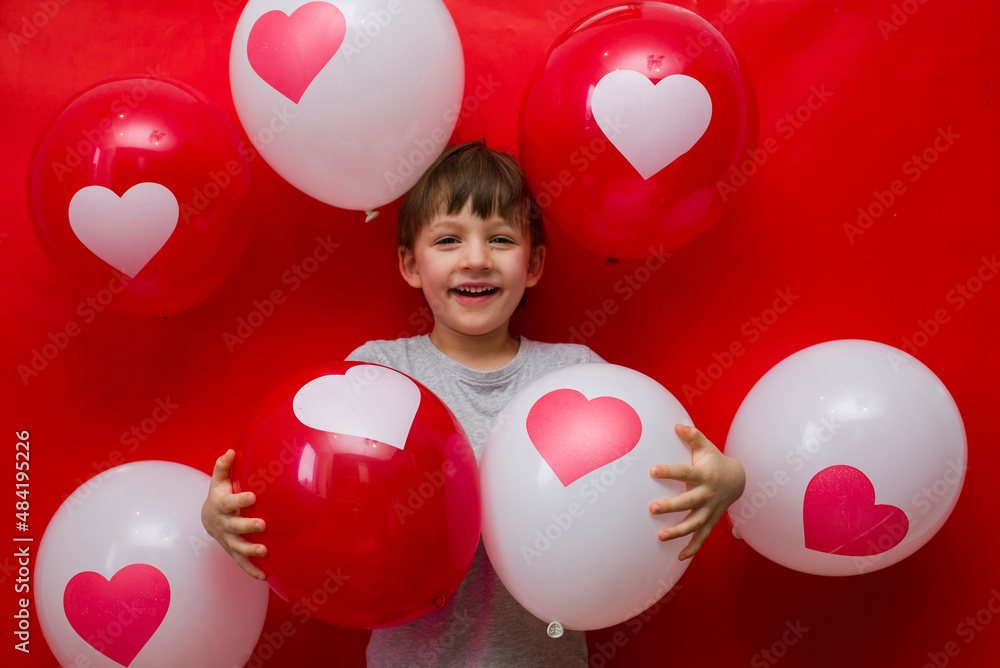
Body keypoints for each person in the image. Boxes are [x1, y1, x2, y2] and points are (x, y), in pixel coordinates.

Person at [202, 140, 746, 667]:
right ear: (410, 265)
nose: (477, 259)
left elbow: (667, 475)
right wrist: (224, 517)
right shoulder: (374, 377)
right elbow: (305, 493)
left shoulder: (580, 376)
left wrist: (728, 481)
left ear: (533, 266)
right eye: (448, 241)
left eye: (502, 240)